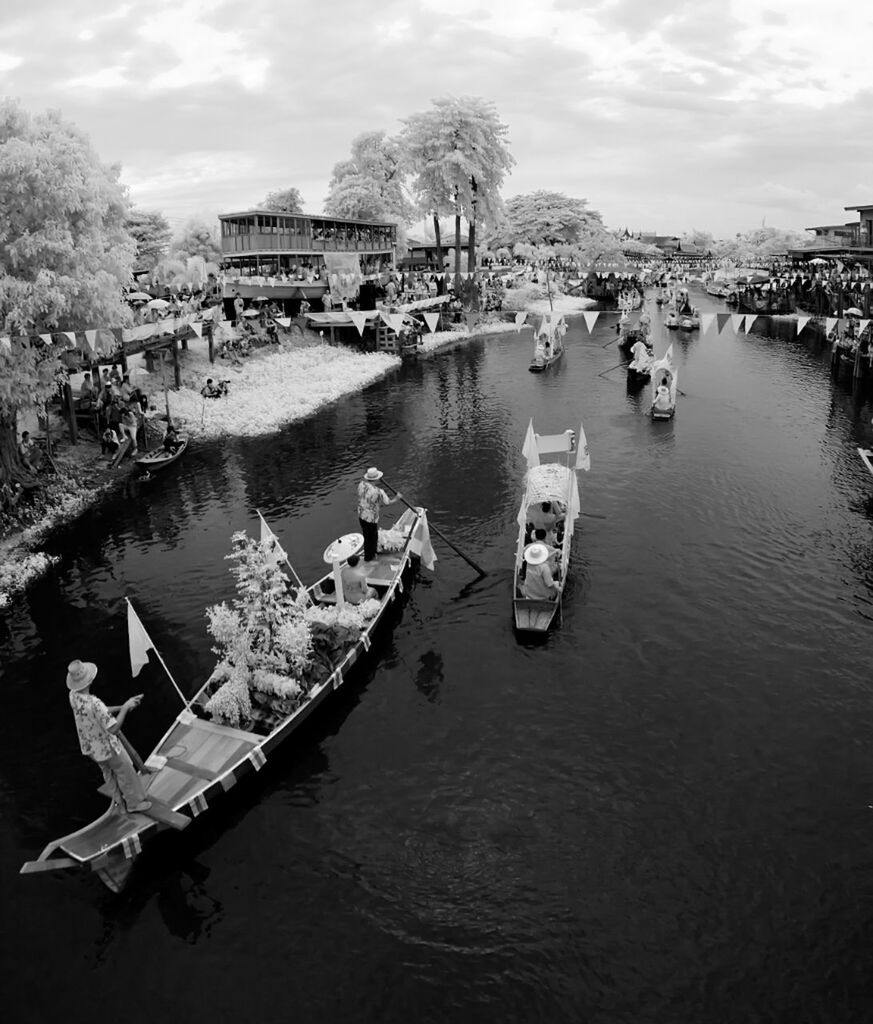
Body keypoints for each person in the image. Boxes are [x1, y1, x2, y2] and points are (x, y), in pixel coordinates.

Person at [66, 659, 151, 814]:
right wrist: (125, 708)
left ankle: (119, 803)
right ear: (90, 679)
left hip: (91, 748)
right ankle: (134, 804)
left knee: (109, 773)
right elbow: (113, 728)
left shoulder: (73, 696)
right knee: (125, 770)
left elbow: (100, 713)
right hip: (107, 747)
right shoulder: (94, 703)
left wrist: (122, 707)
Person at [356, 466, 403, 563]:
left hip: (361, 514)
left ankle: (369, 554)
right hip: (371, 518)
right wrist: (397, 498)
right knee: (373, 537)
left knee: (367, 536)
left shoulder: (361, 484)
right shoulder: (379, 491)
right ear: (377, 478)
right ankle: (370, 557)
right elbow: (388, 502)